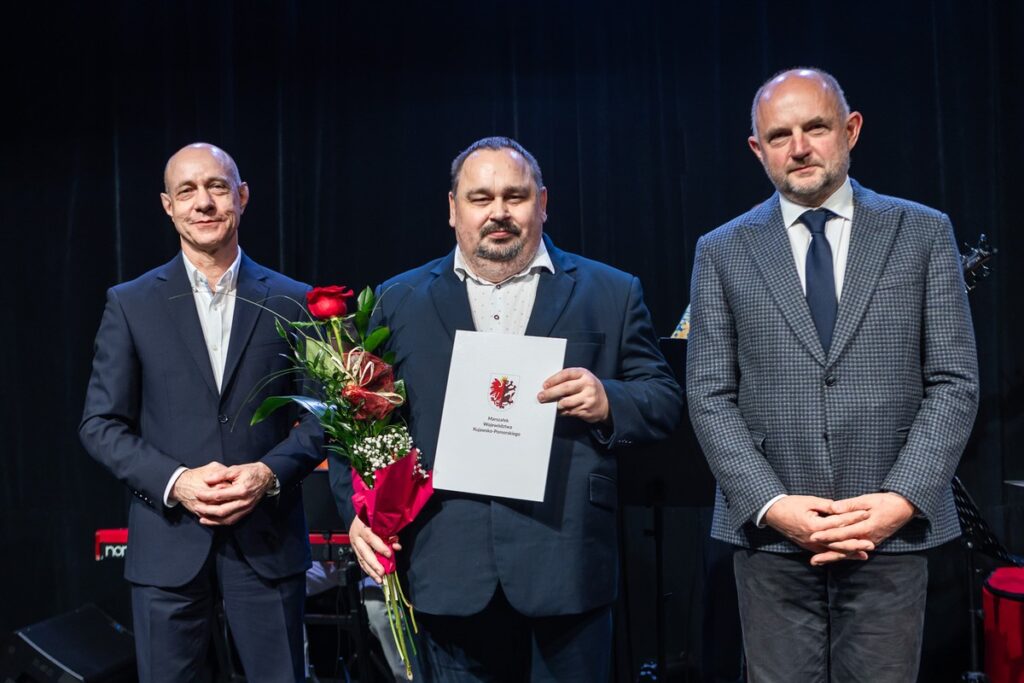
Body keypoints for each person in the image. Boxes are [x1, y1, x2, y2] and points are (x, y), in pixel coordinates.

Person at [331, 136, 682, 681]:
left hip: (566, 561)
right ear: (453, 209)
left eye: (515, 196)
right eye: (480, 198)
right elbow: (353, 419)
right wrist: (358, 514)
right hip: (445, 565)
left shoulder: (610, 291)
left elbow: (663, 398)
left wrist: (607, 398)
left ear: (543, 203)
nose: (499, 212)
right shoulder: (397, 301)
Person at [686, 68, 979, 681]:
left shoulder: (923, 232)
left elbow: (954, 382)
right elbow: (709, 395)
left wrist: (900, 500)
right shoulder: (722, 249)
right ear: (757, 149)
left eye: (815, 128)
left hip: (890, 535)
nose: (798, 148)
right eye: (779, 135)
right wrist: (771, 504)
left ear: (851, 130)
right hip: (772, 540)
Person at [79, 143, 324, 682]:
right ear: (168, 206)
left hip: (267, 543)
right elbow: (100, 424)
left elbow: (324, 414)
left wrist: (268, 474)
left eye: (216, 186)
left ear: (242, 196)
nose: (204, 202)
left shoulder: (294, 300)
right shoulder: (131, 303)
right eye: (187, 191)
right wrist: (178, 481)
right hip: (167, 546)